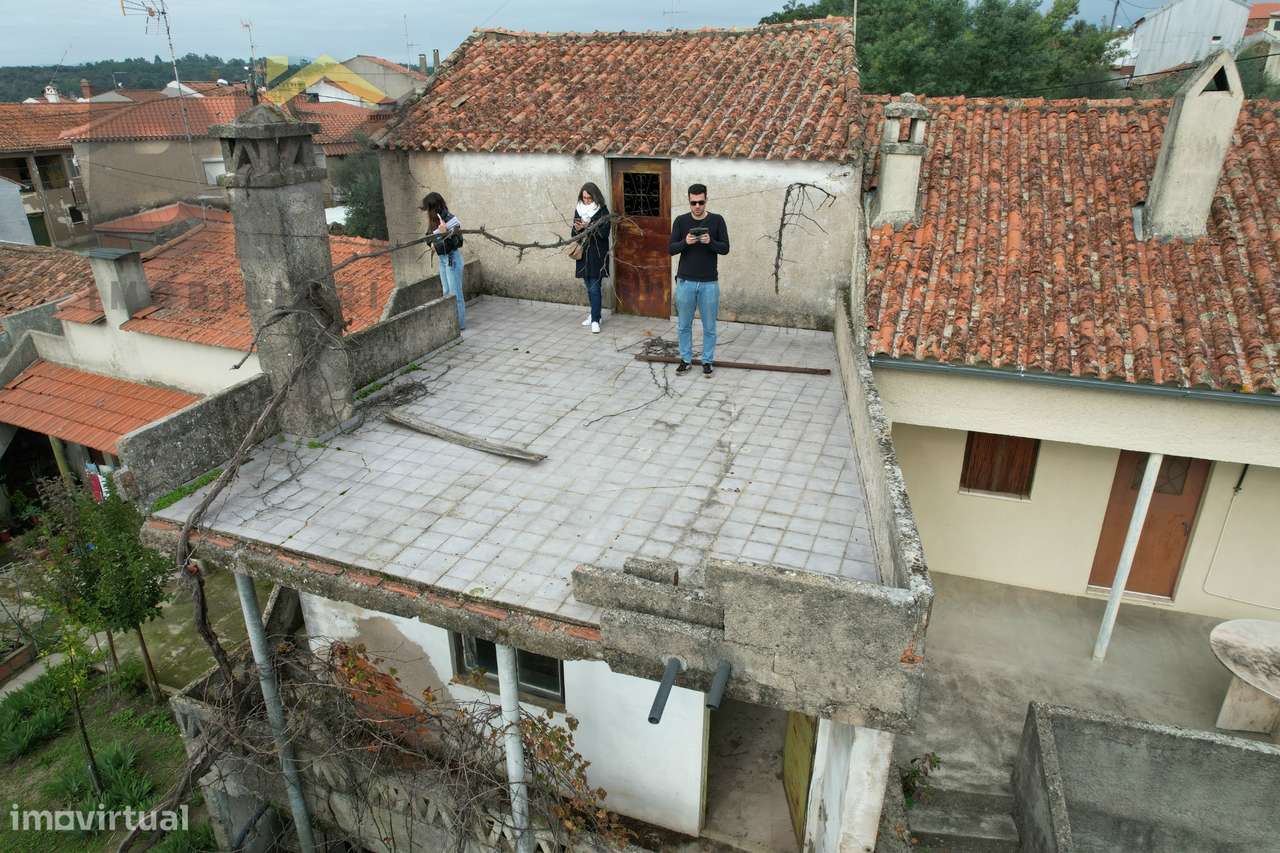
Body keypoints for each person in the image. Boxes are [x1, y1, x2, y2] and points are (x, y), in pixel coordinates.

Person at [668, 183, 729, 376]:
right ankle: (685, 360)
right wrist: (685, 242)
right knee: (684, 325)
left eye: (700, 202)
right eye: (693, 202)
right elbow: (671, 249)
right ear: (688, 200)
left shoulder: (717, 220)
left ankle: (707, 361)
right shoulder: (680, 221)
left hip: (709, 283)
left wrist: (710, 242)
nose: (697, 206)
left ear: (706, 200)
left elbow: (725, 248)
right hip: (685, 281)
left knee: (709, 326)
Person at [420, 192, 466, 330]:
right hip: (443, 261)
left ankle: (459, 326)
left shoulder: (451, 220)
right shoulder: (434, 221)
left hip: (452, 261)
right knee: (446, 292)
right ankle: (451, 325)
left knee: (455, 295)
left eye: (429, 209)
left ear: (435, 208)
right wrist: (432, 243)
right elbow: (428, 238)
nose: (428, 213)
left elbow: (458, 243)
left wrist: (443, 233)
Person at [572, 182, 610, 333]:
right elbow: (573, 234)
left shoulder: (602, 211)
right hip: (583, 253)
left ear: (595, 197)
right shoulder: (579, 209)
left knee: (595, 287)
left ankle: (595, 320)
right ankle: (596, 315)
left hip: (597, 254)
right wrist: (578, 228)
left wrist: (587, 226)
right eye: (584, 197)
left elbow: (603, 234)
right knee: (588, 286)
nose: (586, 200)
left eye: (589, 198)